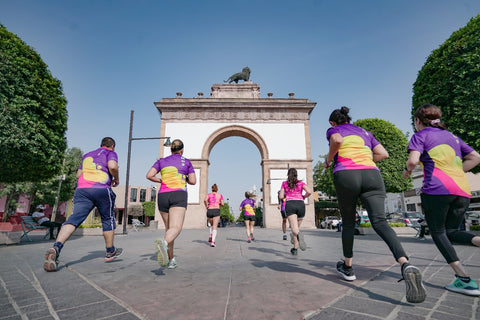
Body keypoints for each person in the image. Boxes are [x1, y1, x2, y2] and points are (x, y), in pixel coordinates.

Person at [324, 106, 426, 303]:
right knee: (380, 222)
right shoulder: (365, 132)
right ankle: (405, 264)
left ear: (332, 123)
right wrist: (365, 159)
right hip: (372, 174)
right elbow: (384, 154)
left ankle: (348, 267)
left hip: (346, 174)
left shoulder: (333, 130)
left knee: (347, 223)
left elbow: (336, 141)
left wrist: (329, 160)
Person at [404, 104, 480, 296]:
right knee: (451, 231)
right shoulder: (453, 137)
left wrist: (408, 171)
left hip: (437, 189)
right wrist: (455, 172)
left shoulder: (420, 135)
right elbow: (475, 157)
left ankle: (464, 280)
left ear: (418, 121)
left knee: (438, 232)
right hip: (461, 190)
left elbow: (413, 161)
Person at [44, 137, 121, 272]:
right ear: (112, 146)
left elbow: (78, 174)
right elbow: (113, 166)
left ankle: (56, 247)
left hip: (82, 190)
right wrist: (116, 179)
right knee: (107, 218)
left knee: (73, 219)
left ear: (101, 144)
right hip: (102, 189)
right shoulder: (110, 153)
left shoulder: (87, 155)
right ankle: (110, 251)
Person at [147, 139, 196, 269]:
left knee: (170, 230)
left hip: (163, 195)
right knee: (176, 228)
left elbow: (149, 175)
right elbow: (193, 181)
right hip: (178, 195)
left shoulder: (161, 161)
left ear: (171, 149)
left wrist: (161, 180)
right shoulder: (187, 162)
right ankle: (163, 243)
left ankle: (171, 259)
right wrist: (184, 177)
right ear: (182, 150)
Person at [279, 168, 311, 255]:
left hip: (290, 204)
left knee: (294, 228)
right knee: (296, 228)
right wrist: (304, 196)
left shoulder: (284, 184)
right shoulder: (300, 183)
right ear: (296, 175)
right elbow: (309, 191)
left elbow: (281, 196)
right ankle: (295, 248)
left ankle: (299, 236)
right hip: (301, 204)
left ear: (288, 175)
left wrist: (287, 194)